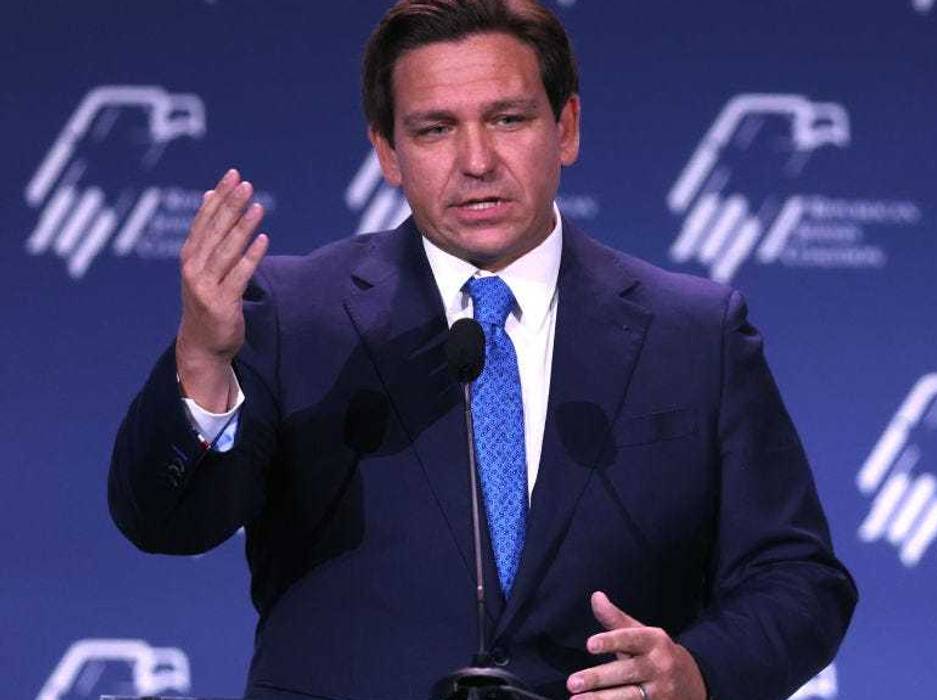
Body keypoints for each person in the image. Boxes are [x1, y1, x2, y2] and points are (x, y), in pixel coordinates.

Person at [108, 1, 858, 699]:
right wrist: (202, 361)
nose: (476, 160)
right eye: (434, 129)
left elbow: (797, 578)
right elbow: (166, 523)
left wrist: (697, 671)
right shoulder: (292, 316)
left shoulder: (694, 333)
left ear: (565, 128)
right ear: (387, 152)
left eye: (507, 119)